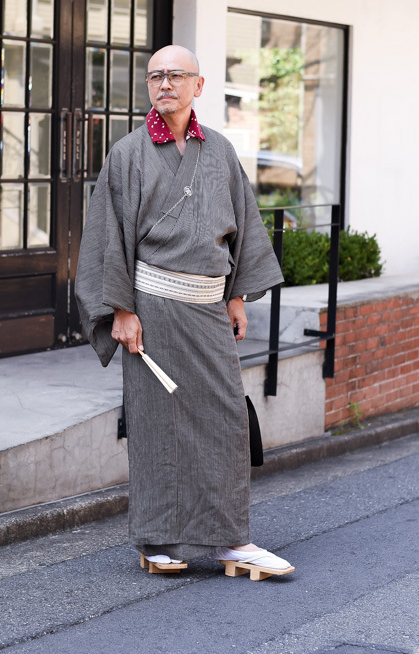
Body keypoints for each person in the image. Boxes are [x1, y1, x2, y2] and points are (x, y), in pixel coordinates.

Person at [75, 45, 294, 576]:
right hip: (151, 307)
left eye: (175, 75)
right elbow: (106, 237)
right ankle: (157, 540)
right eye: (155, 76)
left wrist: (236, 294)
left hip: (208, 307)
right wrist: (119, 310)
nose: (164, 84)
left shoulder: (219, 150)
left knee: (223, 419)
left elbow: (240, 222)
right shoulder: (127, 154)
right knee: (157, 422)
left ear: (200, 85)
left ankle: (229, 540)